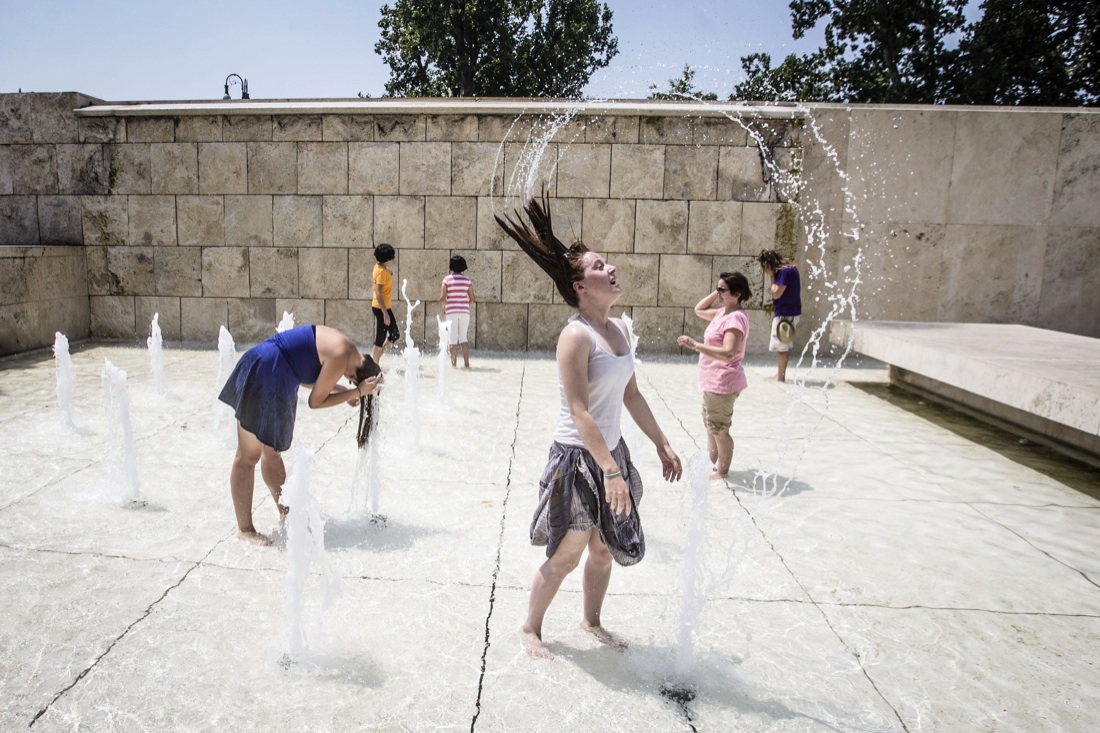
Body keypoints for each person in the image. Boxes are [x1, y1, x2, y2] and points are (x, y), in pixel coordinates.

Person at [496, 193, 683, 660]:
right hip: (580, 456)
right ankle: (531, 627)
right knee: (568, 553)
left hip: (611, 453)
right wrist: (610, 471)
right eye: (601, 265)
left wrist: (661, 443)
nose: (612, 267)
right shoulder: (574, 335)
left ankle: (592, 621)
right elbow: (580, 411)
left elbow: (632, 394)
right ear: (581, 285)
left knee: (604, 551)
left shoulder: (618, 328)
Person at [218, 324, 383, 546]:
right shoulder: (342, 355)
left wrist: (343, 391)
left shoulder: (348, 349)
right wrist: (356, 392)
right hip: (268, 371)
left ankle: (287, 515)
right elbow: (315, 402)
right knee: (248, 455)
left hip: (272, 369)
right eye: (352, 382)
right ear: (355, 376)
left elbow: (301, 369)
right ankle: (245, 530)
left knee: (272, 453)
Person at [677, 272, 752, 479]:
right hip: (713, 380)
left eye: (722, 290)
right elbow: (698, 309)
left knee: (719, 428)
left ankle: (722, 471)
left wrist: (696, 345)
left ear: (737, 294)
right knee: (710, 423)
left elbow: (729, 352)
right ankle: (710, 461)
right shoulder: (723, 312)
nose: (718, 294)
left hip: (723, 381)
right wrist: (719, 291)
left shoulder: (735, 318)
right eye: (717, 289)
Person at [758, 249, 801, 382]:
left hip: (785, 314)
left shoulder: (784, 272)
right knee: (782, 347)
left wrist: (772, 276)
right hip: (790, 312)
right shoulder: (791, 268)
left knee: (781, 348)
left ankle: (780, 378)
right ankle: (779, 374)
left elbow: (776, 293)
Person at [439, 254, 476, 368]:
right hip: (464, 312)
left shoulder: (447, 280)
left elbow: (442, 298)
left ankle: (453, 365)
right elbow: (472, 298)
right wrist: (465, 304)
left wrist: (444, 308)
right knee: (463, 338)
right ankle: (467, 364)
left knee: (452, 339)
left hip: (451, 312)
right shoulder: (467, 280)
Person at [372, 243, 400, 364]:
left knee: (395, 334)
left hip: (383, 307)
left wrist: (388, 272)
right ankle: (374, 365)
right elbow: (378, 293)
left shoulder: (379, 267)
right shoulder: (382, 272)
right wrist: (385, 313)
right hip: (381, 308)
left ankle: (376, 359)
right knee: (381, 337)